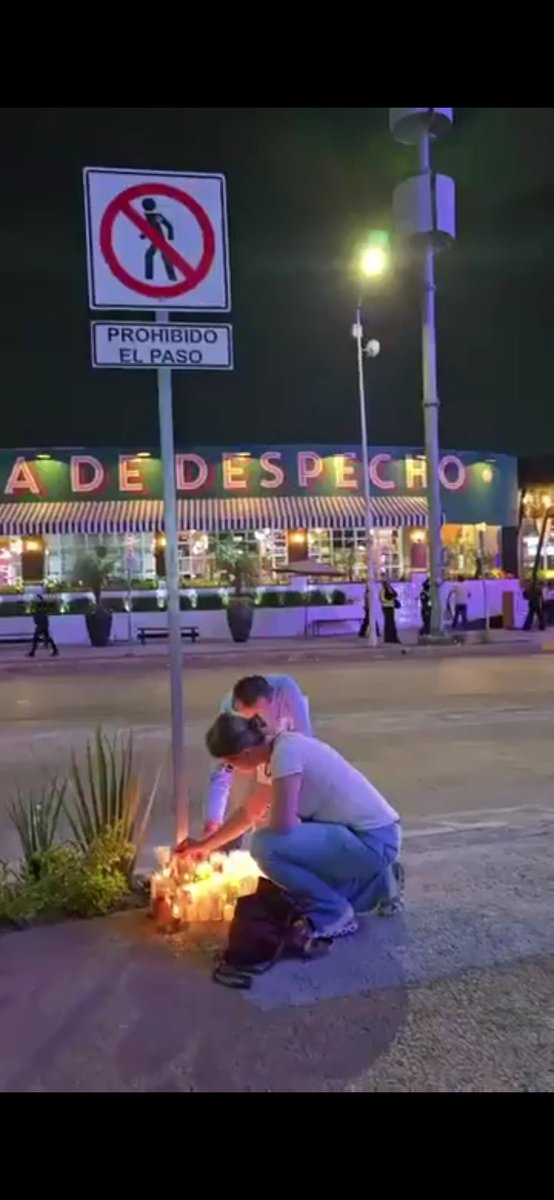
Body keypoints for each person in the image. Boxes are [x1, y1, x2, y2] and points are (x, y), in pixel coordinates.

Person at [178, 712, 404, 940]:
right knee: (286, 858)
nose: (230, 769)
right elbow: (250, 812)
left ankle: (334, 914)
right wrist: (205, 846)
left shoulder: (286, 755)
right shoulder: (278, 750)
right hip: (373, 835)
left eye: (229, 763)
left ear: (244, 754)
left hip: (372, 840)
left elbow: (283, 824)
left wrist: (274, 819)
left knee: (265, 847)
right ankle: (381, 882)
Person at [204, 674, 312, 835]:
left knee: (276, 811)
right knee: (249, 806)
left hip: (286, 750)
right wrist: (213, 820)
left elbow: (306, 740)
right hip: (262, 750)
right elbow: (223, 769)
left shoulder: (286, 690)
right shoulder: (230, 713)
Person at [27, 593, 59, 658]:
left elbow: (37, 614)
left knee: (36, 638)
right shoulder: (41, 607)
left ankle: (32, 652)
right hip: (43, 623)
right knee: (47, 638)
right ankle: (55, 650)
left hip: (41, 624)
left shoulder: (39, 607)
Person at [379, 579, 400, 644]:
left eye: (389, 583)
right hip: (386, 608)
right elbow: (383, 599)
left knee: (392, 623)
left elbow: (395, 594)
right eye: (387, 583)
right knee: (389, 623)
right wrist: (391, 597)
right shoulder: (383, 590)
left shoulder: (390, 589)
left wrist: (391, 591)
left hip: (391, 607)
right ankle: (389, 638)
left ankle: (393, 638)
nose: (388, 584)